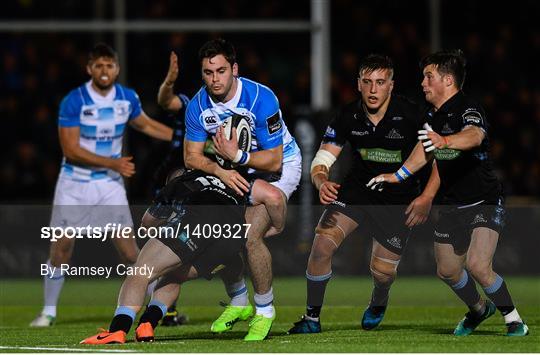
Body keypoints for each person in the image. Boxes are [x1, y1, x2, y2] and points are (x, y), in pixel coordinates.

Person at [367, 50, 529, 336]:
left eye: (429, 76)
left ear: (449, 80)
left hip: (484, 201)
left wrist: (445, 140)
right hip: (453, 206)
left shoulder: (468, 108)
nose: (423, 83)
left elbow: (474, 135)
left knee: (478, 266)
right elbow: (423, 151)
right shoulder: (433, 115)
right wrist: (397, 175)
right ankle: (479, 309)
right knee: (448, 271)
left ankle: (514, 320)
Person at [288, 54, 436, 334]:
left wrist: (427, 196)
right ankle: (311, 318)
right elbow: (322, 159)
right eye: (367, 82)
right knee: (321, 244)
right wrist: (321, 181)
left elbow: (437, 156)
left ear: (391, 85)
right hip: (357, 191)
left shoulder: (412, 114)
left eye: (380, 82)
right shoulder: (347, 115)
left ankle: (379, 299)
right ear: (358, 84)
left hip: (397, 200)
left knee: (382, 272)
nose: (372, 89)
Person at [30, 43, 173, 327]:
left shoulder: (126, 97)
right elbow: (70, 149)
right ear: (89, 69)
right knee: (61, 250)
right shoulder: (75, 100)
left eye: (109, 65)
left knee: (131, 253)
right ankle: (48, 311)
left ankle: (154, 312)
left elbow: (145, 125)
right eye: (98, 65)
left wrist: (186, 139)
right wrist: (113, 163)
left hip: (109, 186)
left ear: (117, 69)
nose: (104, 70)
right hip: (74, 183)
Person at [183, 38, 302, 341]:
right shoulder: (198, 105)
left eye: (221, 71)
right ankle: (238, 300)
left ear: (234, 69)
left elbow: (274, 160)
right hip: (236, 170)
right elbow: (191, 156)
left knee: (249, 235)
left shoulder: (260, 98)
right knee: (222, 233)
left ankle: (264, 311)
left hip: (280, 168)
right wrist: (219, 169)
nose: (215, 79)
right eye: (208, 73)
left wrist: (236, 157)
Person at [80, 169, 248, 344]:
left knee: (140, 272)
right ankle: (147, 325)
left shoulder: (180, 182)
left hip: (197, 223)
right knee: (173, 276)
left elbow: (147, 222)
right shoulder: (227, 187)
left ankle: (117, 330)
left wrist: (167, 227)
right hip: (232, 242)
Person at [150, 50, 192, 326]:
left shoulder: (228, 114)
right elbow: (166, 101)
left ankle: (167, 309)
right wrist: (168, 82)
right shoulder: (192, 105)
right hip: (173, 182)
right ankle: (159, 309)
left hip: (197, 185)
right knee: (163, 244)